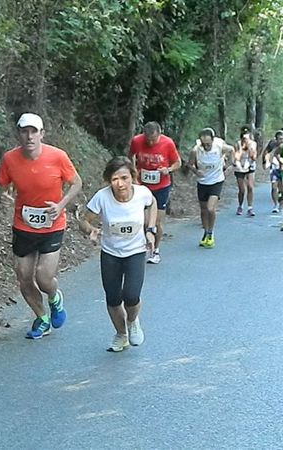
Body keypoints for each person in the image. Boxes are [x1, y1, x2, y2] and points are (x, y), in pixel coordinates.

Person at [0, 113, 83, 339]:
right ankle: (42, 318)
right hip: (23, 226)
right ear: (19, 134)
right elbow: (1, 189)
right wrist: (3, 196)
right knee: (24, 277)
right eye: (24, 131)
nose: (29, 136)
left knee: (44, 277)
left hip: (52, 224)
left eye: (34, 131)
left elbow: (76, 183)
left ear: (42, 134)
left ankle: (55, 298)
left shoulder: (58, 156)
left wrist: (61, 204)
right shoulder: (9, 159)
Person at [80, 156, 156, 352]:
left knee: (131, 295)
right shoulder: (102, 197)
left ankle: (132, 321)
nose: (120, 184)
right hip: (111, 253)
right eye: (115, 179)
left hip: (136, 251)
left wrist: (151, 229)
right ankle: (121, 334)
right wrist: (91, 230)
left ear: (132, 177)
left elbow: (152, 203)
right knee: (113, 298)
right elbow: (84, 220)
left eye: (124, 178)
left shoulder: (142, 193)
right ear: (109, 181)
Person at [129, 121, 181, 264]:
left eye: (154, 139)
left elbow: (178, 163)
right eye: (148, 140)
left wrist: (168, 170)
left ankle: (155, 250)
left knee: (157, 222)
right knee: (144, 221)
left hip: (161, 186)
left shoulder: (168, 143)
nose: (151, 143)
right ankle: (143, 247)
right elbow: (130, 157)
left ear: (159, 134)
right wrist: (134, 175)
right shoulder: (137, 141)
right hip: (142, 186)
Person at [186, 127, 234, 248]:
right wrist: (196, 171)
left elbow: (232, 150)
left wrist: (230, 165)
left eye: (208, 144)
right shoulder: (196, 150)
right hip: (202, 182)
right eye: (204, 144)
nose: (206, 147)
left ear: (213, 141)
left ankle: (211, 233)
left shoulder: (219, 147)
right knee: (203, 210)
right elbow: (189, 164)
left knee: (210, 208)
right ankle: (205, 232)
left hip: (216, 180)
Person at [233, 126, 257, 216]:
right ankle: (240, 205)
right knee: (242, 190)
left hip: (250, 166)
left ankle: (250, 207)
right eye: (244, 137)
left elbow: (254, 158)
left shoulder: (253, 144)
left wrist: (251, 150)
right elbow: (236, 158)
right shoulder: (238, 144)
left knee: (250, 186)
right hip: (240, 167)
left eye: (247, 137)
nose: (245, 139)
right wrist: (241, 149)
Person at [263, 130, 283, 213]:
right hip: (274, 168)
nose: (282, 140)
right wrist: (265, 162)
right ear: (276, 140)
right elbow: (266, 153)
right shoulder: (272, 145)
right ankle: (275, 204)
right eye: (280, 139)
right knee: (274, 187)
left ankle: (281, 203)